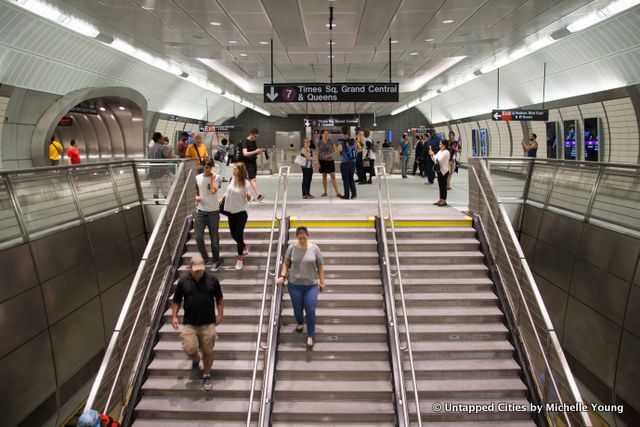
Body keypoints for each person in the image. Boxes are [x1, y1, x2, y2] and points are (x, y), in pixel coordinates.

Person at [171, 255, 224, 391]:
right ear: (190, 267)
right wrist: (174, 316)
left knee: (208, 350)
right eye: (196, 270)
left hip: (208, 323)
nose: (199, 272)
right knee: (189, 348)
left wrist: (220, 313)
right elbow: (176, 300)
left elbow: (219, 298)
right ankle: (195, 359)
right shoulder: (183, 281)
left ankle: (206, 375)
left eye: (201, 269)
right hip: (190, 323)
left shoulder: (212, 280)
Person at [276, 226, 325, 350]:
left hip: (311, 285)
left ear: (308, 236)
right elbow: (286, 263)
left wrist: (322, 281)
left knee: (310, 309)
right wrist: (282, 276)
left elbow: (320, 266)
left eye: (304, 238)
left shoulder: (315, 249)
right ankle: (300, 322)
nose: (302, 240)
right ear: (296, 237)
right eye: (300, 238)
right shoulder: (292, 248)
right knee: (298, 309)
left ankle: (310, 335)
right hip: (294, 285)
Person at [222, 162, 253, 270]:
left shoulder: (246, 183)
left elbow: (249, 198)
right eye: (233, 169)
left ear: (240, 171)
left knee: (238, 234)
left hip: (241, 212)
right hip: (231, 211)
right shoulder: (232, 179)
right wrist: (223, 197)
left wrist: (249, 196)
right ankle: (244, 246)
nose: (233, 170)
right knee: (233, 234)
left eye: (235, 169)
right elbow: (228, 191)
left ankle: (240, 258)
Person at [195, 158, 223, 271]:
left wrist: (212, 177)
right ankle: (206, 259)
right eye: (206, 167)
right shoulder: (197, 177)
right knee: (198, 237)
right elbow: (196, 190)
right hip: (201, 211)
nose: (208, 169)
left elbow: (213, 190)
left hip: (213, 212)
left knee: (214, 240)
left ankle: (216, 261)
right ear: (203, 166)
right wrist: (196, 197)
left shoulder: (217, 178)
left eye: (210, 167)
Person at [239, 128, 265, 202]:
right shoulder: (245, 142)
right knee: (252, 179)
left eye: (257, 136)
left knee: (250, 179)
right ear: (251, 135)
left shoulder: (254, 142)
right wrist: (255, 151)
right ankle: (259, 195)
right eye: (255, 136)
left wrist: (259, 151)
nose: (256, 138)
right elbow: (245, 153)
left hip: (253, 162)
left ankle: (247, 195)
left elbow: (253, 152)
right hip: (247, 163)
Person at [317, 129, 342, 198]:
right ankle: (325, 192)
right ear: (322, 134)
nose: (327, 135)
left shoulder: (331, 142)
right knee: (324, 176)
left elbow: (336, 150)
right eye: (325, 133)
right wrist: (318, 163)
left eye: (327, 133)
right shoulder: (319, 143)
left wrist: (329, 155)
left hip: (330, 161)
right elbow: (317, 153)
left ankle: (337, 192)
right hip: (322, 161)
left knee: (333, 176)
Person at [148, 132, 172, 199]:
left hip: (152, 172)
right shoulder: (162, 147)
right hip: (161, 172)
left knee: (155, 191)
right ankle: (168, 206)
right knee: (166, 191)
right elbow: (168, 157)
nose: (163, 140)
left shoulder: (151, 148)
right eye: (162, 138)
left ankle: (156, 202)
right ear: (158, 139)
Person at [337, 125, 357, 200]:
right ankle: (354, 194)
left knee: (345, 179)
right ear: (348, 131)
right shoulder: (352, 140)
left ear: (342, 131)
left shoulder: (341, 141)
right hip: (353, 162)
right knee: (351, 178)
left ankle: (346, 195)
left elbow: (339, 149)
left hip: (345, 162)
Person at [429, 140, 451, 207]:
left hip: (444, 171)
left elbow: (439, 160)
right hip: (439, 171)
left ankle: (444, 200)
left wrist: (433, 154)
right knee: (440, 186)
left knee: (443, 187)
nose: (439, 145)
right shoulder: (440, 151)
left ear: (444, 145)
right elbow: (434, 160)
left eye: (440, 144)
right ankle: (441, 199)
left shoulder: (446, 152)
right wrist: (432, 155)